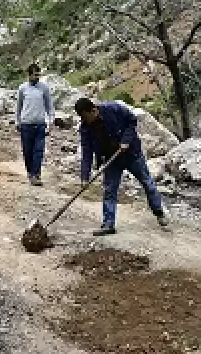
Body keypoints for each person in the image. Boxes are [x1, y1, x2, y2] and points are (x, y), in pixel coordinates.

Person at [75, 97, 169, 235]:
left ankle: (158, 211)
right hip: (111, 160)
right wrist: (84, 177)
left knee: (147, 182)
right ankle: (108, 224)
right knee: (110, 190)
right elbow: (87, 152)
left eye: (85, 116)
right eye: (81, 118)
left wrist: (126, 141)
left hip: (131, 154)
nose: (84, 121)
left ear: (93, 110)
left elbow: (132, 121)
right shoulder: (85, 128)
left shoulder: (113, 108)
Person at [15, 63, 54, 186]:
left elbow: (50, 106)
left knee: (39, 151)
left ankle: (36, 175)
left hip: (40, 125)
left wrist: (51, 121)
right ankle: (30, 172)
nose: (37, 77)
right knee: (27, 151)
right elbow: (18, 107)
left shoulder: (44, 88)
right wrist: (17, 121)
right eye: (35, 75)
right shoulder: (22, 88)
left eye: (39, 75)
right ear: (29, 75)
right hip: (26, 125)